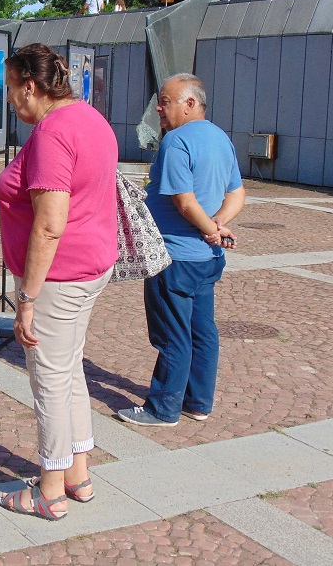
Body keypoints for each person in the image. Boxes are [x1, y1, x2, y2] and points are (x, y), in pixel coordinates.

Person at [0, 43, 118, 520]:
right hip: (90, 267)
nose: (9, 99)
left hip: (59, 277)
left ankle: (49, 490)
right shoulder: (91, 118)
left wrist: (26, 298)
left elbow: (49, 224)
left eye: (10, 88)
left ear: (30, 85)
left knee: (48, 379)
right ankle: (77, 474)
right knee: (69, 370)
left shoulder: (52, 133)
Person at [116, 74, 245, 427]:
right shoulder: (220, 138)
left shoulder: (176, 141)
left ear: (189, 104)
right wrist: (218, 224)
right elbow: (237, 193)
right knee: (202, 331)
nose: (159, 108)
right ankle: (198, 403)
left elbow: (184, 202)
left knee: (172, 334)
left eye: (165, 101)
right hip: (205, 259)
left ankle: (163, 409)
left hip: (174, 257)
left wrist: (212, 230)